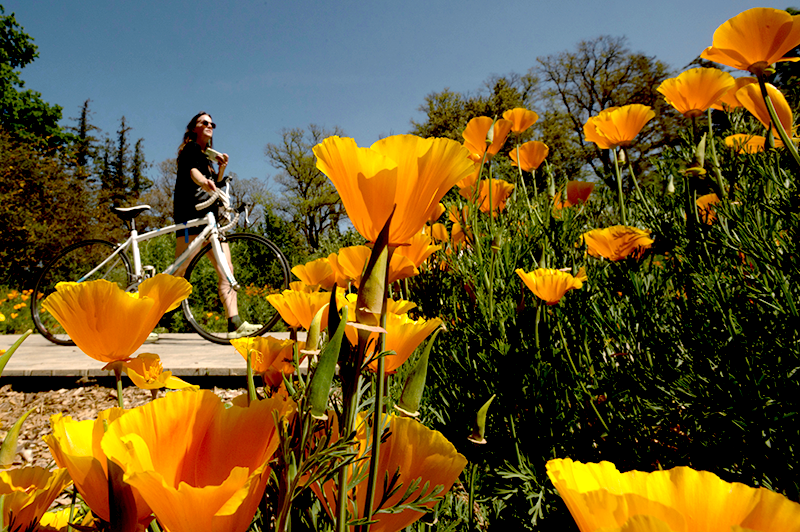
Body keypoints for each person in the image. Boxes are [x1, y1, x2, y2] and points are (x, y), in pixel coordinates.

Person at [168, 111, 261, 340]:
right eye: (204, 122)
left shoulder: (207, 159)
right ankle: (146, 317)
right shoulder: (190, 150)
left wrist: (220, 170)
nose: (210, 125)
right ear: (194, 129)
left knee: (227, 269)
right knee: (178, 273)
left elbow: (215, 186)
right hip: (192, 218)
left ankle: (235, 322)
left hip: (211, 220)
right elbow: (193, 174)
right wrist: (203, 181)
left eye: (212, 123)